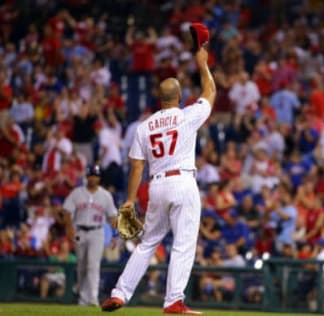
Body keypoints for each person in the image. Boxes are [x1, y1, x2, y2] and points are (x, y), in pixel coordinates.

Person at [101, 46, 216, 315]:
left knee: (147, 243)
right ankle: (173, 300)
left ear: (159, 98)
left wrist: (130, 200)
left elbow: (136, 167)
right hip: (182, 182)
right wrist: (202, 64)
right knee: (184, 243)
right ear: (180, 97)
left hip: (157, 185)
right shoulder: (187, 115)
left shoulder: (144, 126)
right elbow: (210, 92)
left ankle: (119, 293)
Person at [63, 165, 117, 306]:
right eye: (91, 175)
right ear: (86, 177)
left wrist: (114, 235)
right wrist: (69, 228)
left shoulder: (105, 195)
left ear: (99, 178)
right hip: (79, 231)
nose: (93, 178)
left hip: (97, 232)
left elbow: (112, 216)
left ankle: (92, 297)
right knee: (82, 264)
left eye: (96, 175)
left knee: (93, 265)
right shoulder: (77, 193)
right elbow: (67, 211)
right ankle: (82, 295)